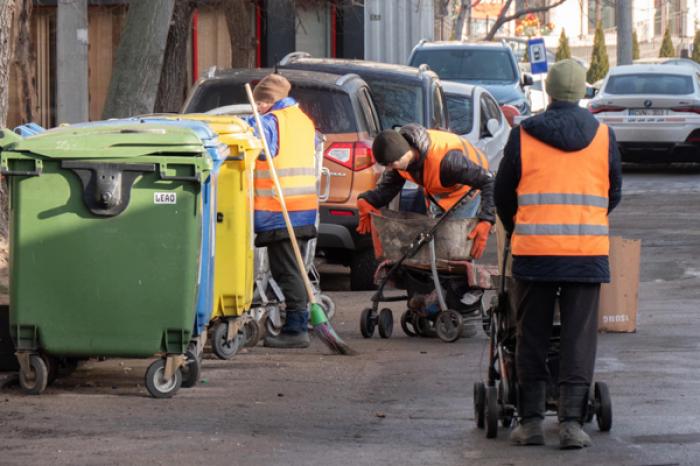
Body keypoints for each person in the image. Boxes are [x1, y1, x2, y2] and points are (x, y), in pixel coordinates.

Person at [494, 59, 622, 449]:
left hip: (535, 255)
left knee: (530, 335)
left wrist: (522, 228)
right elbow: (612, 193)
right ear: (583, 93)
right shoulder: (604, 136)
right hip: (586, 254)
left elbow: (503, 193)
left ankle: (531, 422)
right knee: (578, 339)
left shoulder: (523, 135)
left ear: (548, 92)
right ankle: (570, 424)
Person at [246, 73, 319, 349]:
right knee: (294, 268)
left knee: (287, 271)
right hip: (300, 206)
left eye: (260, 104)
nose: (258, 108)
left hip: (281, 208)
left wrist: (251, 120)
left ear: (267, 102)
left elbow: (258, 142)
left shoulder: (272, 121)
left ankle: (296, 328)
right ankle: (298, 323)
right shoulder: (301, 120)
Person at [356, 123, 496, 264]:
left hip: (468, 188)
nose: (389, 168)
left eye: (392, 164)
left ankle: (458, 281)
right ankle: (437, 280)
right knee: (435, 241)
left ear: (405, 152)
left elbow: (489, 181)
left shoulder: (448, 162)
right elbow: (388, 188)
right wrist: (368, 200)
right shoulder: (401, 157)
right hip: (441, 191)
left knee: (454, 246)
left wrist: (487, 219)